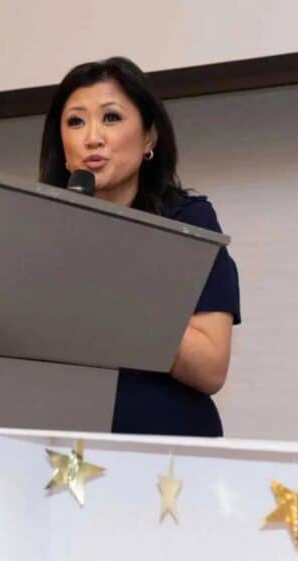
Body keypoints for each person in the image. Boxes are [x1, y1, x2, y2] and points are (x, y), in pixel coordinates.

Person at [39, 57, 241, 437]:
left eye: (111, 118)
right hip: (65, 444)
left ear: (149, 138)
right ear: (62, 146)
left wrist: (116, 281)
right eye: (76, 122)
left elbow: (211, 368)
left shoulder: (187, 222)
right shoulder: (37, 228)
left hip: (167, 447)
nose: (92, 137)